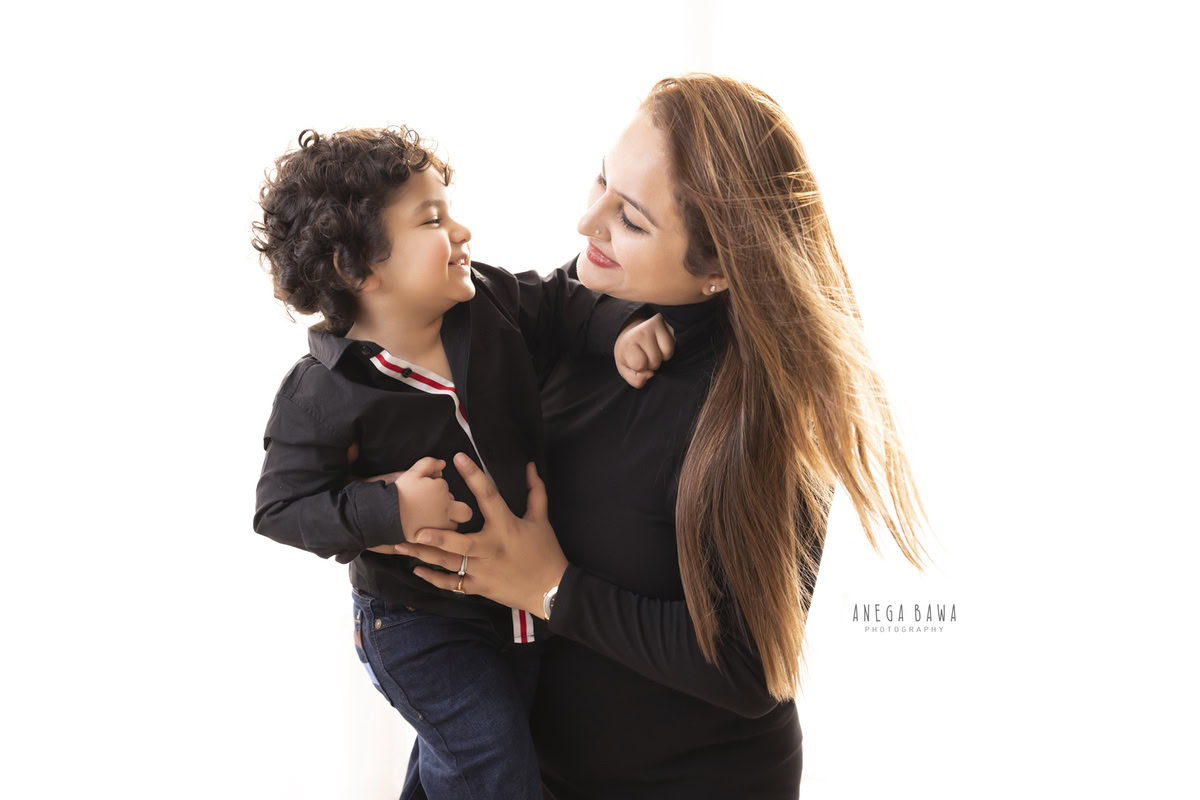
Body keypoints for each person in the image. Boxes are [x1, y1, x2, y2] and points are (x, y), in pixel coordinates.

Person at [395, 74, 930, 799]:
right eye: (602, 179)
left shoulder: (766, 409)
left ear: (717, 267)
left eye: (633, 221)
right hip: (524, 765)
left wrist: (551, 587)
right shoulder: (581, 306)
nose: (588, 222)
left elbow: (749, 671)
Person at [249, 127, 669, 800]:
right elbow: (282, 508)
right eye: (433, 219)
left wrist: (621, 330)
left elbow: (566, 303)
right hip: (418, 624)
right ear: (358, 270)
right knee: (494, 772)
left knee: (464, 765)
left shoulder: (489, 306)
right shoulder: (323, 391)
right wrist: (391, 509)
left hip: (514, 607)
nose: (463, 231)